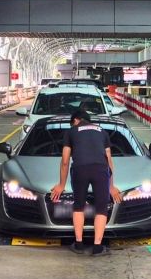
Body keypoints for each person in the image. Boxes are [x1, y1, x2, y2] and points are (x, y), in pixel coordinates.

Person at [50, 110, 122, 257]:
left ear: (76, 120)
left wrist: (61, 185)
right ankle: (97, 246)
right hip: (100, 169)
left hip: (80, 168)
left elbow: (65, 160)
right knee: (101, 208)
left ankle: (78, 244)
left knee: (79, 205)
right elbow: (109, 160)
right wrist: (111, 186)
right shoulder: (102, 131)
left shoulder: (71, 131)